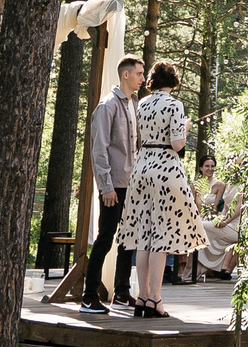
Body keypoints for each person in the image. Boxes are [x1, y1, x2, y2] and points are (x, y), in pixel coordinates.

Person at [116, 60, 201, 317]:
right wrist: (185, 128)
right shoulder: (175, 104)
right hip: (165, 167)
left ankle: (142, 297)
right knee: (162, 237)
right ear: (173, 80)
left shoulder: (142, 103)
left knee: (144, 236)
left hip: (142, 166)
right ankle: (155, 299)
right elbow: (177, 144)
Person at [79, 56, 145, 314]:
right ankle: (88, 297)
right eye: (139, 74)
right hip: (113, 185)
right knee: (105, 238)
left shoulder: (135, 104)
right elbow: (99, 150)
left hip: (132, 184)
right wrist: (105, 186)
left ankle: (121, 294)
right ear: (125, 75)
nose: (142, 79)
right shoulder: (107, 106)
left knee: (128, 239)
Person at [194, 153, 242, 280]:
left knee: (201, 226)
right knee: (201, 227)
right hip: (226, 222)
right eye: (235, 165)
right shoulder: (230, 184)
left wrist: (225, 221)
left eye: (240, 165)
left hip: (237, 226)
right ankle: (205, 267)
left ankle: (204, 267)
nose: (237, 168)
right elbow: (226, 207)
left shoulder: (243, 185)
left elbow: (238, 209)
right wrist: (219, 218)